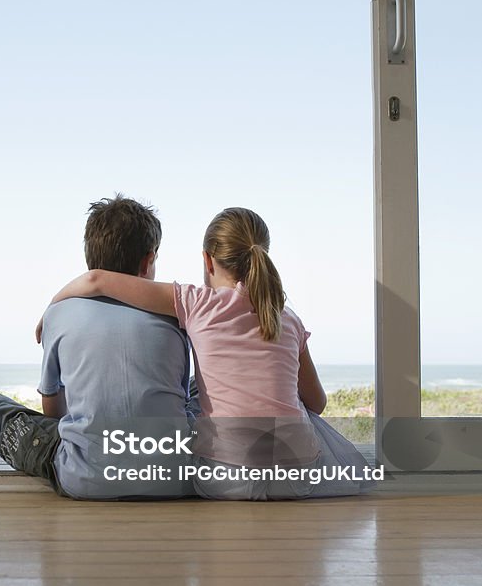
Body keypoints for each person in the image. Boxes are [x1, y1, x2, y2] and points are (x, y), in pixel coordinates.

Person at [50, 206, 379, 500]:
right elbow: (317, 403)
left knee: (197, 397)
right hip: (297, 477)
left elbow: (96, 280)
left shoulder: (198, 303)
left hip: (222, 480)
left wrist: (50, 312)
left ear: (207, 259)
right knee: (296, 411)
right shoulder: (288, 318)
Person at [0, 195, 198, 499]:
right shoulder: (174, 315)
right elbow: (181, 397)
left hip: (84, 479)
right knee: (197, 387)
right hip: (175, 478)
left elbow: (53, 410)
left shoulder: (60, 313)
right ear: (148, 262)